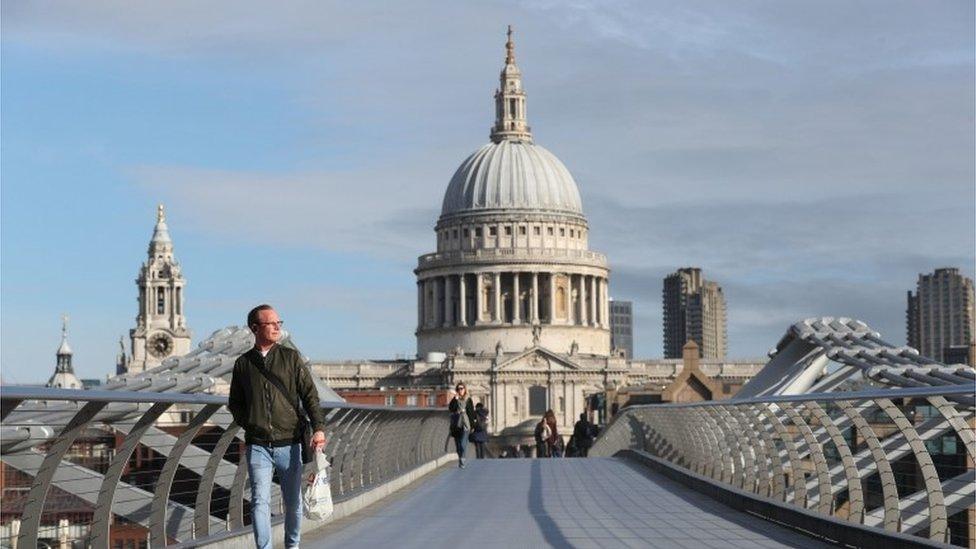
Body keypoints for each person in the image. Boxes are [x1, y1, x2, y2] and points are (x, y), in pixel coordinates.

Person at [228, 304, 327, 549]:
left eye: (278, 323)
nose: (276, 327)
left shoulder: (290, 358)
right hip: (258, 444)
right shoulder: (243, 364)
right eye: (270, 323)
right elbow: (235, 403)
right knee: (259, 501)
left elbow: (310, 395)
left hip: (290, 442)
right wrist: (251, 423)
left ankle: (292, 545)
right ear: (255, 328)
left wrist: (318, 427)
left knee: (292, 502)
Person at [448, 382, 476, 468]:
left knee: (463, 443)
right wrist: (455, 399)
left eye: (462, 388)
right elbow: (451, 409)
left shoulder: (468, 400)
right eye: (458, 389)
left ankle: (463, 458)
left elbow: (471, 413)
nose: (460, 390)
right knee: (458, 445)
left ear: (465, 389)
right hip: (457, 424)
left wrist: (472, 426)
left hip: (466, 424)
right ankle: (460, 458)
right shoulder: (455, 399)